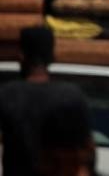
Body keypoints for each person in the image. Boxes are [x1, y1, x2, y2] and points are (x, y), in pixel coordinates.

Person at [0, 27, 94, 176]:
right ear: (52, 57)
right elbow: (87, 153)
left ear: (21, 56)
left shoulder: (6, 95)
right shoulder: (71, 96)